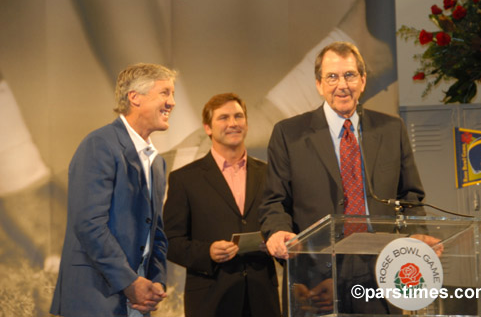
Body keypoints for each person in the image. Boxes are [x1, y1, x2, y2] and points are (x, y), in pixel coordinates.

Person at [259, 41, 439, 314]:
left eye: (349, 75)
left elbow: (411, 197)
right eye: (332, 76)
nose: (341, 84)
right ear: (319, 84)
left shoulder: (391, 129)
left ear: (363, 81)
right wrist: (278, 231)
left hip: (381, 268)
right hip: (315, 272)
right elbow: (275, 201)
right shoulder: (289, 134)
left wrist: (418, 233)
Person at [50, 63, 175, 317]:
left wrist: (157, 281)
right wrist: (130, 283)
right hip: (96, 299)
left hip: (138, 301)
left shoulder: (157, 162)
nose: (171, 103)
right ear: (134, 97)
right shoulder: (100, 145)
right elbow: (89, 224)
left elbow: (157, 233)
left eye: (172, 95)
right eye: (165, 93)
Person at [163, 93, 281, 317]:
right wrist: (207, 252)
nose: (233, 123)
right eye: (223, 118)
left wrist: (275, 244)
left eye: (238, 116)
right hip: (211, 300)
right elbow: (171, 242)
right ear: (207, 128)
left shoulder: (271, 174)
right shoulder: (185, 179)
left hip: (262, 299)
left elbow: (286, 228)